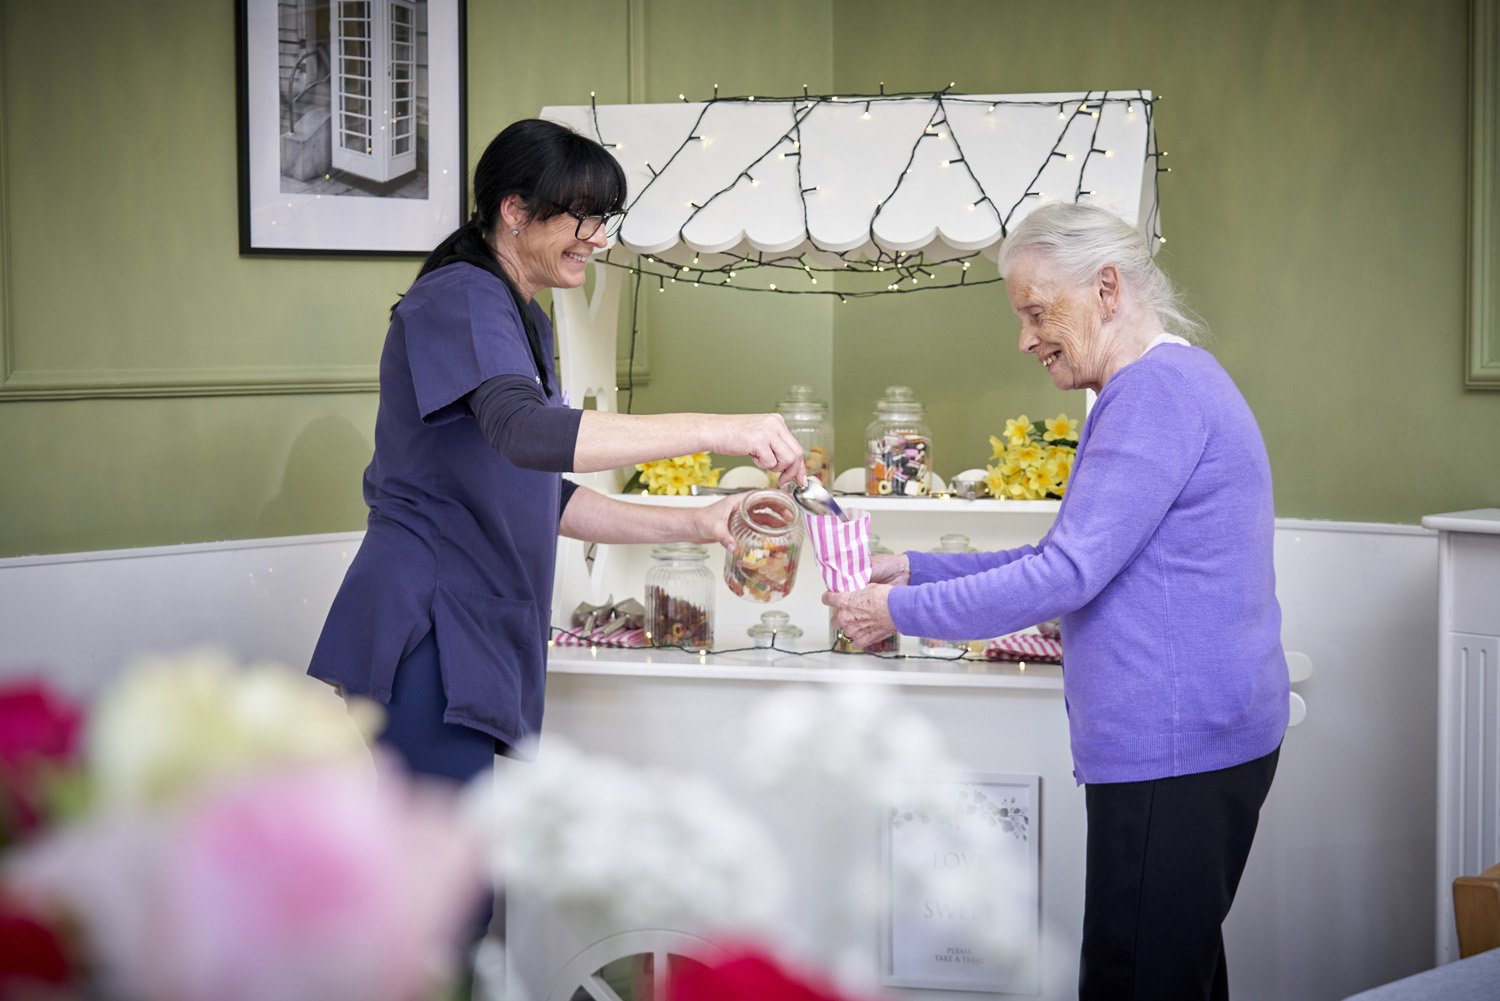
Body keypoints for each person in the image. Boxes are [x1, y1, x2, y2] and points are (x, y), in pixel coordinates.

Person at [307, 118, 805, 959]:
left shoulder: (521, 318)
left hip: (466, 629)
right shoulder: (458, 297)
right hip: (424, 628)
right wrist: (726, 426)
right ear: (513, 211)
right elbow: (530, 435)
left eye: (603, 217)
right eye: (581, 216)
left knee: (461, 899)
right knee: (447, 906)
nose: (597, 237)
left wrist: (696, 521)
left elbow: (542, 487)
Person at [826, 201, 1289, 1001]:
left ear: (1107, 288)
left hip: (1175, 749)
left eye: (1037, 311)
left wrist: (890, 613)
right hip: (1192, 742)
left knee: (1133, 981)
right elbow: (1068, 556)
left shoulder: (1154, 395)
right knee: (1174, 976)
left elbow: (1064, 573)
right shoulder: (1165, 384)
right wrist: (915, 569)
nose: (1025, 337)